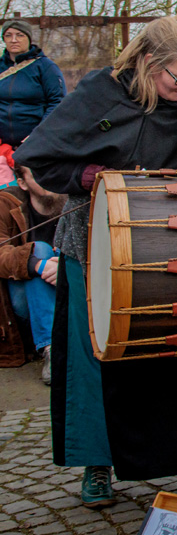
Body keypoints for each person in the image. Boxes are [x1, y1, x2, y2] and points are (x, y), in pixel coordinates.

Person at [15, 14, 177, 508]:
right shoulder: (102, 93)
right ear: (147, 61)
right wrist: (96, 175)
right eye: (176, 78)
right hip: (95, 244)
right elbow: (38, 157)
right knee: (94, 356)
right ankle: (97, 465)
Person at [0, 162, 64, 384]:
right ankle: (51, 348)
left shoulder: (75, 199)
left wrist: (66, 267)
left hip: (73, 292)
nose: (47, 177)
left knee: (56, 252)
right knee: (39, 249)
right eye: (37, 173)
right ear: (22, 183)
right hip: (23, 307)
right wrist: (36, 264)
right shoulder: (6, 203)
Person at [0, 19, 65, 145]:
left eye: (20, 35)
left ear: (29, 38)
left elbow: (58, 102)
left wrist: (39, 134)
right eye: (8, 35)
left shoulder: (45, 67)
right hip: (2, 145)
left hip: (36, 142)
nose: (14, 40)